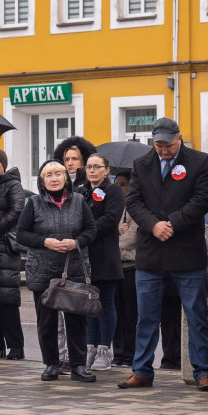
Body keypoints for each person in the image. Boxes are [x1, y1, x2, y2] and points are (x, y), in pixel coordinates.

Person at [119, 117, 208, 391]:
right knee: (146, 316)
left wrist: (172, 222)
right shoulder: (141, 164)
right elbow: (134, 201)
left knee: (196, 314)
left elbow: (202, 199)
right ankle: (142, 370)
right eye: (159, 145)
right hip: (151, 254)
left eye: (169, 145)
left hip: (187, 253)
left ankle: (203, 371)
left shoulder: (201, 161)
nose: (163, 150)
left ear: (179, 137)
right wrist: (153, 225)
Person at [17, 160, 97, 382]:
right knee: (47, 320)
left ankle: (79, 366)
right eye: (48, 175)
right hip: (43, 269)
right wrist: (45, 241)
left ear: (66, 178)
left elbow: (91, 230)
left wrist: (76, 242)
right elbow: (21, 234)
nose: (53, 178)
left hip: (73, 268)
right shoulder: (33, 203)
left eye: (58, 174)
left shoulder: (79, 201)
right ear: (42, 181)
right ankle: (51, 364)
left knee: (76, 320)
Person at [80, 153, 125, 371]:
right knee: (89, 305)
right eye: (89, 166)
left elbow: (110, 218)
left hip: (105, 256)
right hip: (84, 257)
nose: (92, 170)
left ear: (107, 170)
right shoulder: (81, 191)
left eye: (97, 167)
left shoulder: (113, 190)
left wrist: (85, 232)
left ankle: (105, 350)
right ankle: (90, 348)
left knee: (105, 304)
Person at [0, 149, 26, 360]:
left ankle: (16, 346)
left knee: (7, 299)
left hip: (5, 247)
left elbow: (16, 212)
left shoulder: (13, 185)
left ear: (3, 164)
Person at [112, 171, 138, 367]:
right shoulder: (115, 207)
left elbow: (131, 238)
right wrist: (115, 232)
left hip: (131, 267)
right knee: (116, 313)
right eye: (116, 184)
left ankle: (129, 354)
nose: (119, 188)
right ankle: (118, 353)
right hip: (114, 266)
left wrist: (112, 240)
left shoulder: (134, 207)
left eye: (122, 184)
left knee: (130, 314)